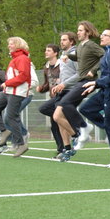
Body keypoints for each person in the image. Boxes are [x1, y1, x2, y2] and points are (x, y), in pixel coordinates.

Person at [53, 21, 104, 162]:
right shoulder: (81, 46)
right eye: (78, 30)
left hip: (87, 81)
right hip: (81, 81)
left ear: (87, 32)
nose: (78, 32)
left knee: (65, 102)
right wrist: (68, 56)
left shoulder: (91, 45)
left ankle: (84, 127)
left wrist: (93, 70)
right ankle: (82, 129)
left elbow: (104, 56)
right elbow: (80, 57)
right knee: (64, 104)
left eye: (80, 30)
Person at [80, 29, 110, 167]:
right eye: (101, 35)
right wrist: (95, 85)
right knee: (86, 109)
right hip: (104, 91)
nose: (101, 37)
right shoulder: (106, 54)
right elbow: (106, 76)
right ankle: (109, 127)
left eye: (105, 35)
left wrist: (96, 83)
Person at [0, 37, 32, 157]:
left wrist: (8, 83)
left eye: (11, 44)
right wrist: (7, 85)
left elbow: (24, 76)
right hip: (8, 91)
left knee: (11, 117)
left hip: (17, 92)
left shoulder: (22, 58)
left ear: (17, 45)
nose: (9, 46)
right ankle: (4, 130)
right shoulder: (15, 58)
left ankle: (21, 144)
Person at [39, 32, 79, 160]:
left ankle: (76, 134)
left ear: (72, 41)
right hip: (62, 91)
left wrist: (64, 84)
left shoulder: (75, 54)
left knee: (57, 117)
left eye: (64, 40)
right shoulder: (63, 56)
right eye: (61, 40)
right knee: (54, 116)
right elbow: (64, 74)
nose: (62, 42)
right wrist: (58, 83)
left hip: (71, 90)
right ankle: (66, 149)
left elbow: (80, 73)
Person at [36, 44, 62, 156]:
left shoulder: (62, 64)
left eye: (49, 50)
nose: (46, 52)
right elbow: (48, 84)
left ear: (55, 53)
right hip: (53, 98)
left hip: (63, 97)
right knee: (54, 125)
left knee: (43, 108)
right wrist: (41, 88)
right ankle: (61, 149)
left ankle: (73, 127)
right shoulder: (46, 67)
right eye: (45, 50)